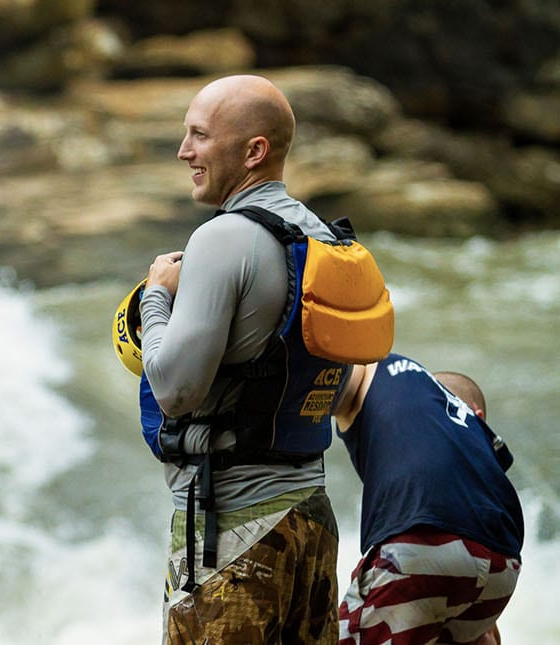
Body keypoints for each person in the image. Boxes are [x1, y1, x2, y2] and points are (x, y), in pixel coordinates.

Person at [138, 74, 386, 642]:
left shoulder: (224, 238)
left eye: (199, 136)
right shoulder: (321, 239)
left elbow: (176, 389)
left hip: (234, 531)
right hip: (310, 521)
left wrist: (157, 295)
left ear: (253, 151)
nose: (184, 152)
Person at [334, 355, 524, 645]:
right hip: (503, 564)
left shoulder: (383, 372)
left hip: (421, 548)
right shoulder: (475, 439)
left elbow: (331, 373)